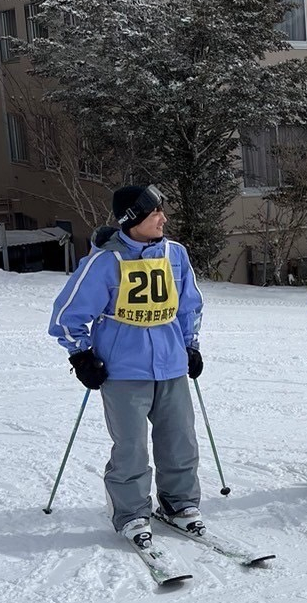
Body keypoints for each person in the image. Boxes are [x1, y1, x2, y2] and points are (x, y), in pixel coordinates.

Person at [47, 184, 204, 550]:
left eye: (161, 212)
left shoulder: (175, 255)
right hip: (123, 370)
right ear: (133, 220)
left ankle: (179, 503)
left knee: (180, 439)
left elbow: (189, 306)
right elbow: (68, 314)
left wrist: (190, 347)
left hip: (170, 366)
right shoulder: (106, 261)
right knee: (131, 446)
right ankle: (131, 511)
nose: (163, 219)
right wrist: (81, 355)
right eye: (154, 214)